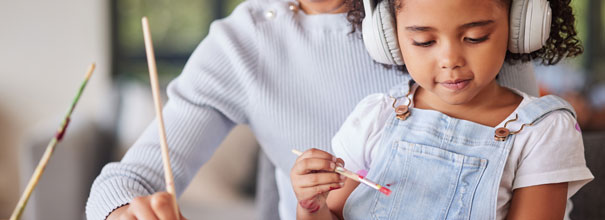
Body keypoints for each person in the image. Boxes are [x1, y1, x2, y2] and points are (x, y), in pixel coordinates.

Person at [85, 0, 540, 219]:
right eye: (422, 42)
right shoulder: (241, 45)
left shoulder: (449, 12)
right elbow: (124, 182)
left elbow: (531, 172)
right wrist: (124, 211)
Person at [290, 0, 594, 219]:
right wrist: (311, 205)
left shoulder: (541, 131)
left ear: (520, 26)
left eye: (475, 37)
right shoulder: (376, 118)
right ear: (389, 38)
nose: (450, 59)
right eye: (424, 41)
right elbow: (337, 213)